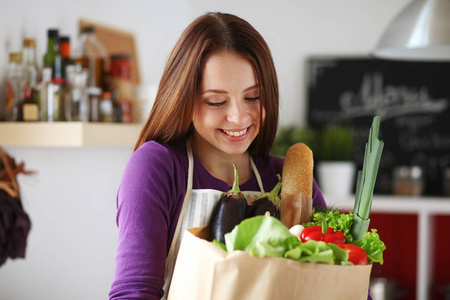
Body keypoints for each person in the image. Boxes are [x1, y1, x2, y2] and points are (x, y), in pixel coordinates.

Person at [108, 12, 327, 300]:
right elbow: (134, 293)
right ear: (183, 99)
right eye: (216, 101)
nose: (238, 116)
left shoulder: (288, 180)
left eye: (253, 97)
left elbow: (339, 281)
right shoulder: (156, 167)